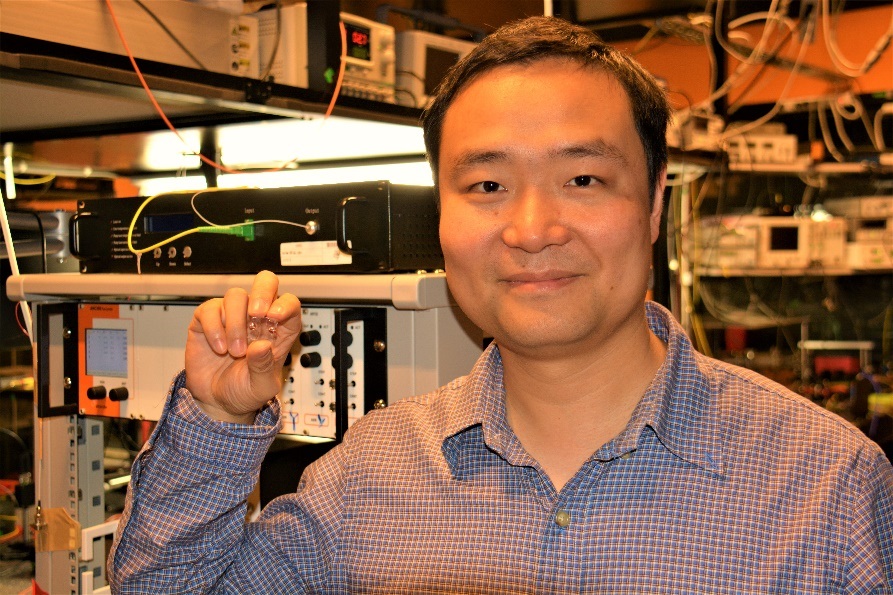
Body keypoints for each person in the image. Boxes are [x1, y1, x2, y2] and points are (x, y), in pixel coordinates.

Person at [109, 16, 893, 593]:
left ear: (654, 204)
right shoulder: (369, 477)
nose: (530, 229)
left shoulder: (824, 486)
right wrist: (215, 419)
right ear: (443, 217)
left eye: (582, 179)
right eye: (486, 186)